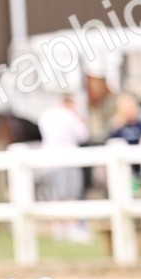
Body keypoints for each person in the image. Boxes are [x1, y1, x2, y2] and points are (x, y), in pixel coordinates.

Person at [37, 94, 91, 241]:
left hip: (49, 161)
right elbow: (83, 135)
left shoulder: (46, 115)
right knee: (70, 195)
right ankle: (73, 229)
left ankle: (58, 230)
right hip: (69, 160)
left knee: (54, 196)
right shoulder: (70, 116)